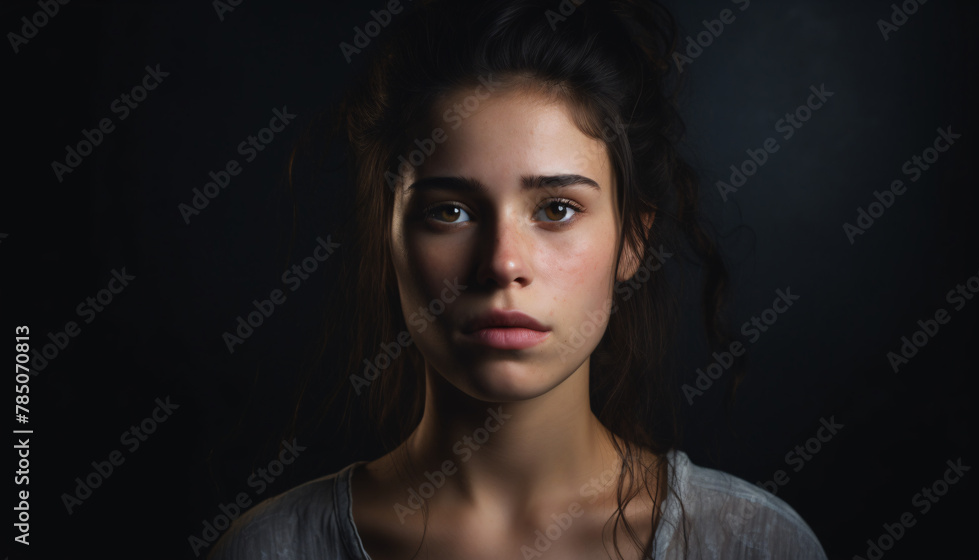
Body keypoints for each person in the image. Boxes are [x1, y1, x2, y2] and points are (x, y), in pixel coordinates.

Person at [209, 0, 827, 558]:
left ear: (632, 242)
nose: (502, 263)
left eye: (556, 209)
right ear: (389, 239)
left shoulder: (755, 545)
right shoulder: (270, 550)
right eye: (448, 211)